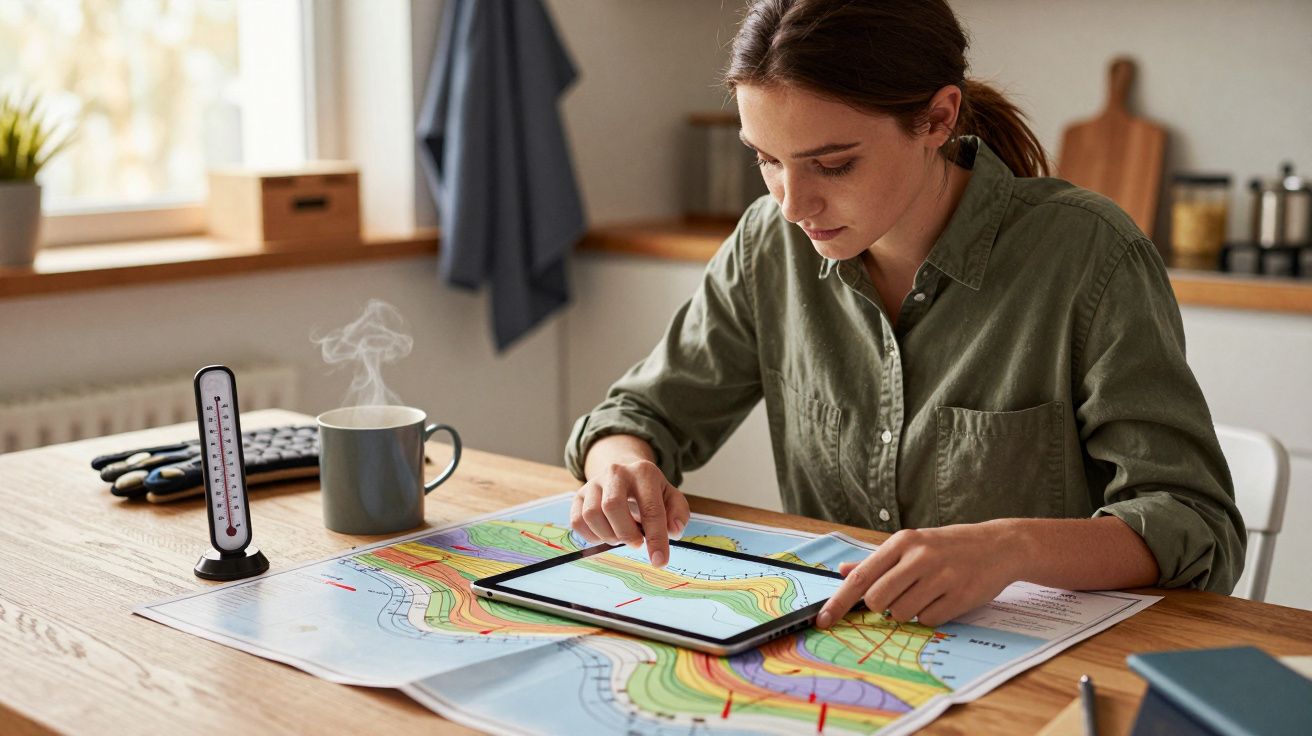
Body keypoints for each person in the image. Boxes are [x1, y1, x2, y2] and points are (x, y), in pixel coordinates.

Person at [564, 0, 1245, 629]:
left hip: (1042, 668)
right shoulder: (768, 244)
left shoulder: (1089, 255)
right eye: (767, 160)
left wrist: (1008, 548)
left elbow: (1194, 523)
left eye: (832, 164)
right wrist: (619, 465)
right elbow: (638, 417)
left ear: (938, 119)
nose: (793, 204)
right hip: (844, 655)